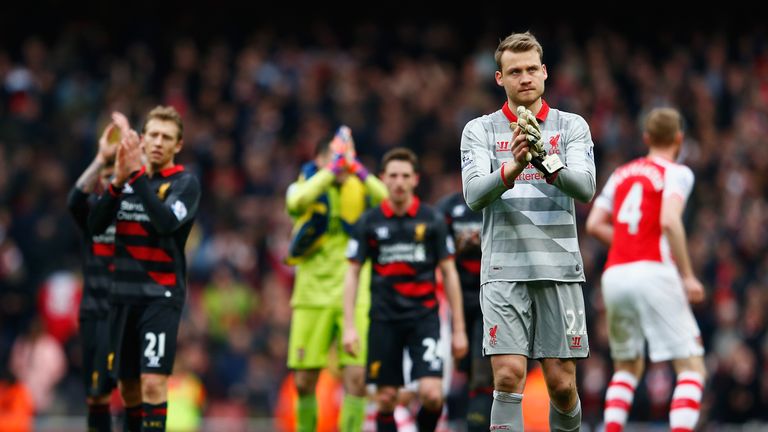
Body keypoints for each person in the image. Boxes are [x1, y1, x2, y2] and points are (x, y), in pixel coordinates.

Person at [460, 31, 596, 431]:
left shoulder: (571, 126)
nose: (525, 78)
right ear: (499, 78)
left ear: (545, 73)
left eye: (531, 69)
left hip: (558, 268)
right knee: (506, 377)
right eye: (514, 71)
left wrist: (546, 161)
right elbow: (473, 194)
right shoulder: (479, 130)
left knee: (562, 386)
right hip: (503, 270)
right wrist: (513, 167)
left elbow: (585, 187)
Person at [585, 107, 706, 432]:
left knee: (627, 365)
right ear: (679, 139)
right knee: (691, 366)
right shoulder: (676, 172)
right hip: (653, 270)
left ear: (647, 138)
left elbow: (595, 224)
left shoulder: (621, 173)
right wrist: (688, 274)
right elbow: (668, 220)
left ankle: (611, 428)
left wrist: (626, 241)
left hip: (615, 275)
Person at [88, 106, 201, 432]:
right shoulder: (123, 179)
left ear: (178, 145)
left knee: (153, 383)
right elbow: (95, 226)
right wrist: (116, 182)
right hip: (122, 296)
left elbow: (165, 223)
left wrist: (134, 176)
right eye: (152, 134)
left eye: (166, 137)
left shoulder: (184, 183)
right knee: (128, 390)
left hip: (160, 296)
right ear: (143, 137)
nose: (157, 142)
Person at [343, 147, 468, 432]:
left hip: (423, 318)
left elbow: (449, 273)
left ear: (415, 180)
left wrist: (459, 329)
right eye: (393, 176)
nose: (399, 182)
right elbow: (352, 274)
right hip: (384, 320)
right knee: (385, 399)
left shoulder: (432, 220)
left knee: (432, 395)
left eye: (405, 176)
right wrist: (350, 326)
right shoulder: (369, 222)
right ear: (383, 179)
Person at [285, 125, 387, 432]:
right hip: (311, 294)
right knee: (303, 382)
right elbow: (295, 203)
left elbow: (388, 202)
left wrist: (356, 168)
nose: (341, 163)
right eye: (334, 157)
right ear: (319, 160)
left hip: (355, 295)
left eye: (346, 157)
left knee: (356, 379)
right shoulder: (304, 185)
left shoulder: (361, 187)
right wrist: (332, 170)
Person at [67, 120, 120, 432]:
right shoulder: (91, 213)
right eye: (105, 175)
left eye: (114, 173)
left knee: (132, 393)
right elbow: (73, 199)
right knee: (97, 395)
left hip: (127, 312)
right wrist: (101, 159)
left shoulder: (136, 210)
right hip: (95, 314)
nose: (109, 179)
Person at [435, 190, 493, 431]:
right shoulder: (447, 209)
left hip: (491, 299)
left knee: (483, 376)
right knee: (465, 373)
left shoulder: (498, 200)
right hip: (454, 301)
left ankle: (477, 426)